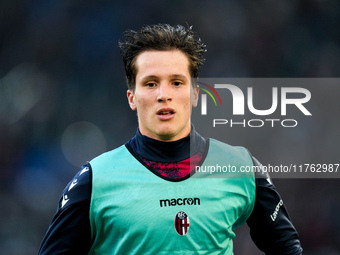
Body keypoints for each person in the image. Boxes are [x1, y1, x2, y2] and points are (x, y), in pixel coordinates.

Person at [39, 24, 303, 254]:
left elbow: (287, 248)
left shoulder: (240, 167)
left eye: (176, 82)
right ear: (132, 97)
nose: (164, 94)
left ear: (196, 94)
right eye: (151, 83)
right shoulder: (95, 180)